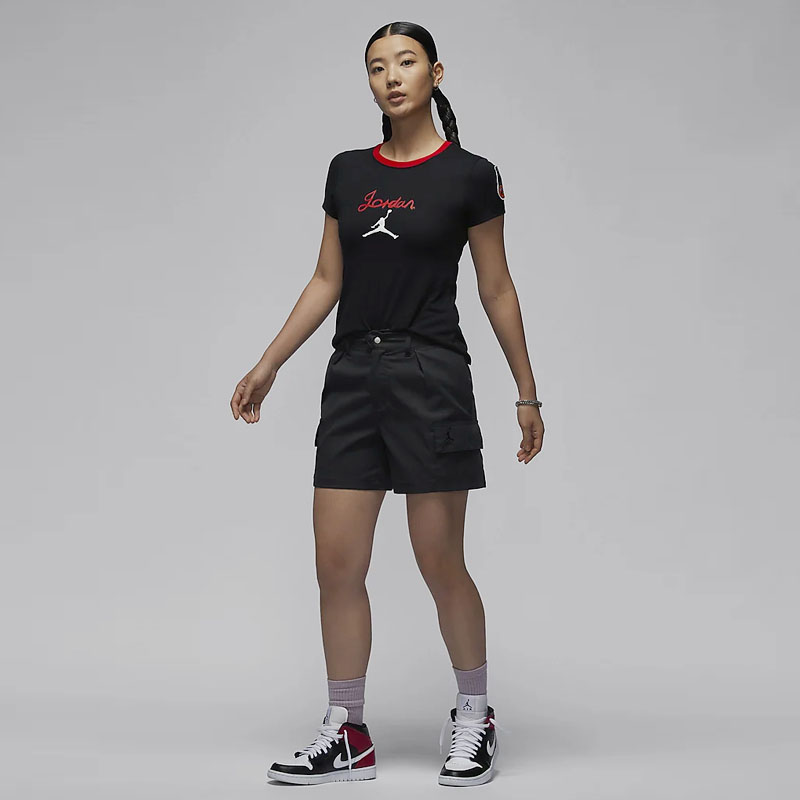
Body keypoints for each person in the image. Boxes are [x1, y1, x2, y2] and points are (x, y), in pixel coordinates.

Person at [230, 20, 544, 787]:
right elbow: (326, 279)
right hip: (352, 379)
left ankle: (474, 714)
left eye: (405, 62)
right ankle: (348, 732)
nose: (391, 76)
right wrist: (269, 363)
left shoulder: (470, 175)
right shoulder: (347, 171)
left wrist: (526, 392)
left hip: (430, 376)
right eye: (377, 66)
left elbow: (496, 287)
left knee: (439, 560)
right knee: (336, 564)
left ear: (436, 73)